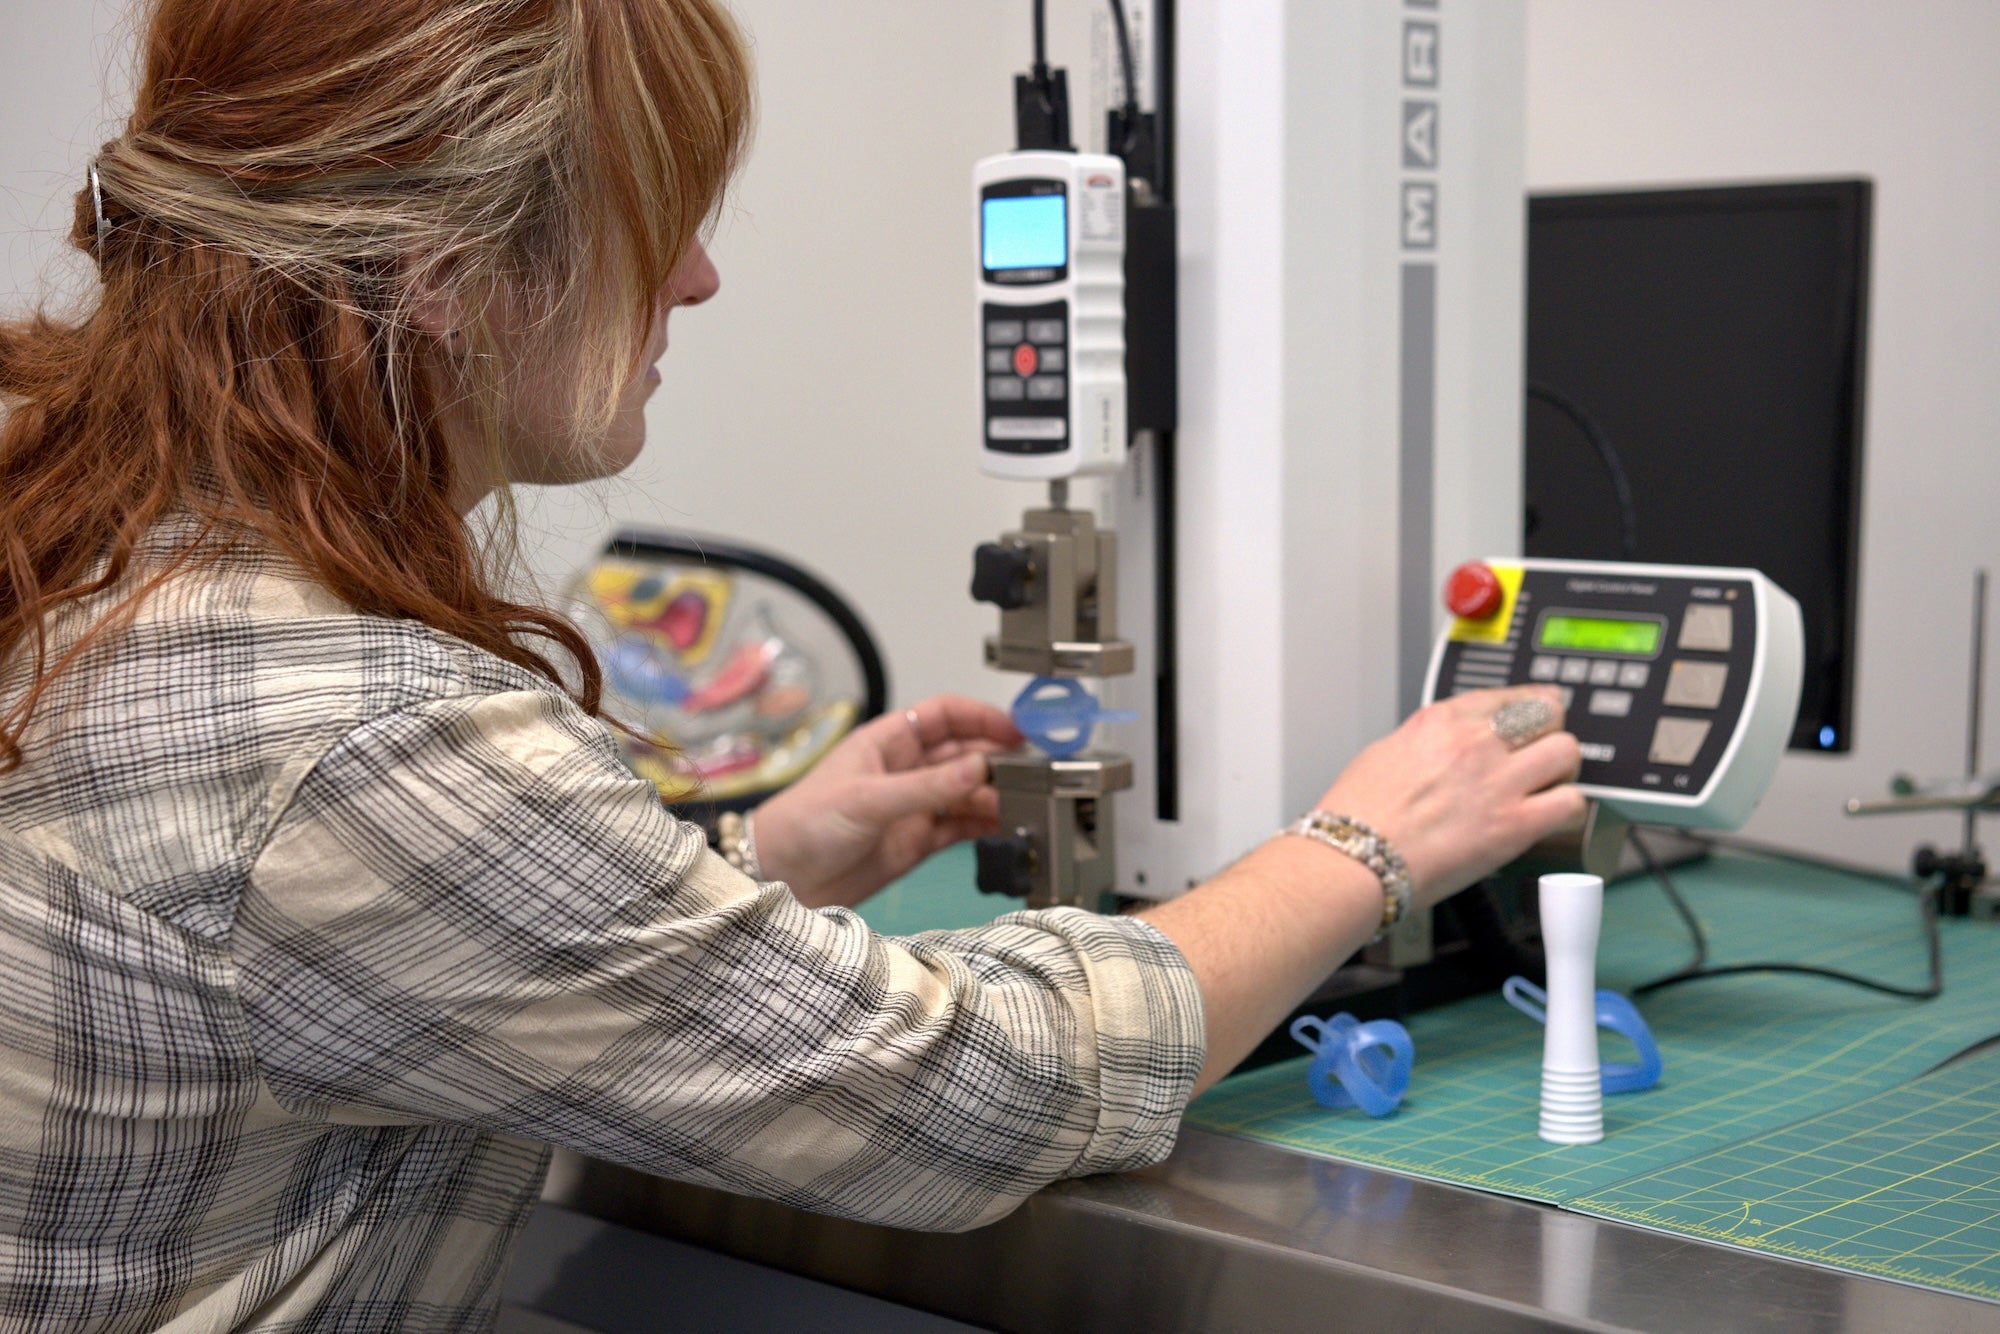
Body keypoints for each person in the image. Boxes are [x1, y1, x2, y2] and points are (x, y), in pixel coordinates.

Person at [0, 0, 1583, 1328]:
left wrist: (760, 863)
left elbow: (331, 949)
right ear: (449, 276)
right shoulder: (360, 743)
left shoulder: (95, 551)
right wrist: (1362, 843)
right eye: (658, 212)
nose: (696, 275)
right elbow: (976, 1095)